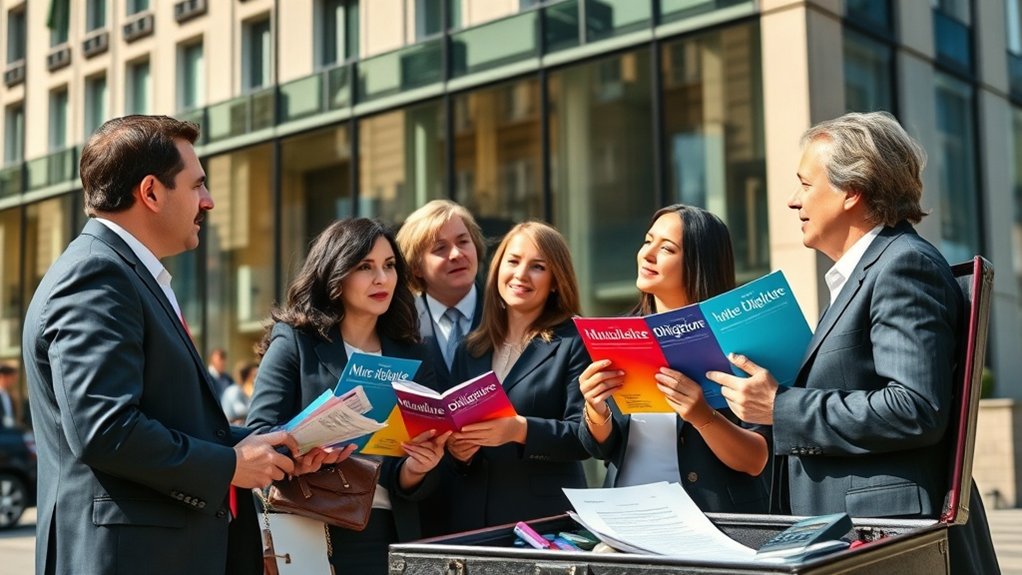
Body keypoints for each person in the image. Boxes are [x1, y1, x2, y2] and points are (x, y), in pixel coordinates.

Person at [21, 115, 344, 575]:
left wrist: (276, 448)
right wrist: (230, 465)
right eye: (197, 185)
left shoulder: (123, 273)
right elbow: (105, 430)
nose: (208, 201)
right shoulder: (97, 275)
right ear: (150, 192)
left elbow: (169, 419)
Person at [710, 111, 999, 574]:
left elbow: (914, 408)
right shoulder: (864, 274)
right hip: (850, 534)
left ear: (851, 191)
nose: (791, 200)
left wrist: (781, 406)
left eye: (805, 184)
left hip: (888, 539)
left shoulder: (904, 266)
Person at [246, 217, 451, 575]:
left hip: (389, 533)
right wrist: (305, 447)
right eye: (365, 267)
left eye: (389, 266)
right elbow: (258, 434)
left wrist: (419, 468)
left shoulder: (415, 355)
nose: (382, 279)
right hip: (310, 525)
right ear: (336, 274)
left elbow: (418, 477)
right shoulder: (296, 340)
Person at [577, 205, 769, 513]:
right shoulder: (618, 335)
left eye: (666, 248)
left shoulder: (738, 342)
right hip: (629, 515)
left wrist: (702, 416)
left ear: (699, 263)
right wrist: (595, 408)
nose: (647, 254)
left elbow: (756, 460)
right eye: (647, 241)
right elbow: (601, 447)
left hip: (711, 521)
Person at [443, 221, 591, 533]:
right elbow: (455, 441)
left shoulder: (575, 342)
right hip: (472, 521)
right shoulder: (468, 349)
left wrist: (519, 429)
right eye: (513, 261)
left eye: (537, 266)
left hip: (544, 520)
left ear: (555, 281)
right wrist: (459, 453)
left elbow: (586, 438)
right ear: (497, 269)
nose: (521, 275)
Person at [396, 200, 486, 387]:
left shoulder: (506, 312)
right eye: (440, 248)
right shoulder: (401, 324)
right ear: (416, 267)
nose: (456, 254)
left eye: (463, 242)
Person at [221, 361, 257, 425]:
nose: (257, 379)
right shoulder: (234, 390)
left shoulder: (245, 391)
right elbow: (240, 411)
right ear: (248, 376)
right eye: (255, 375)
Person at [0, 363, 19, 428]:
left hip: (10, 433)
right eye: (12, 378)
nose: (14, 382)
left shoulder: (9, 397)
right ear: (2, 376)